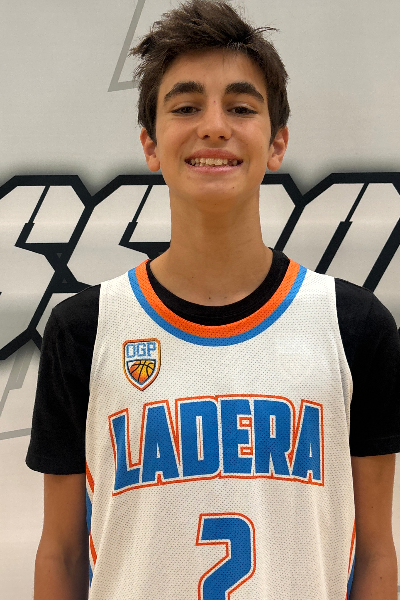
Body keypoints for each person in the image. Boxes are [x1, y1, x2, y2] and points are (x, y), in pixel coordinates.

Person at [26, 1, 400, 599]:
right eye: (186, 107)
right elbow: (63, 552)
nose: (215, 126)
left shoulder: (355, 327)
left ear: (277, 143)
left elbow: (376, 551)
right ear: (151, 144)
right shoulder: (85, 330)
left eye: (242, 107)